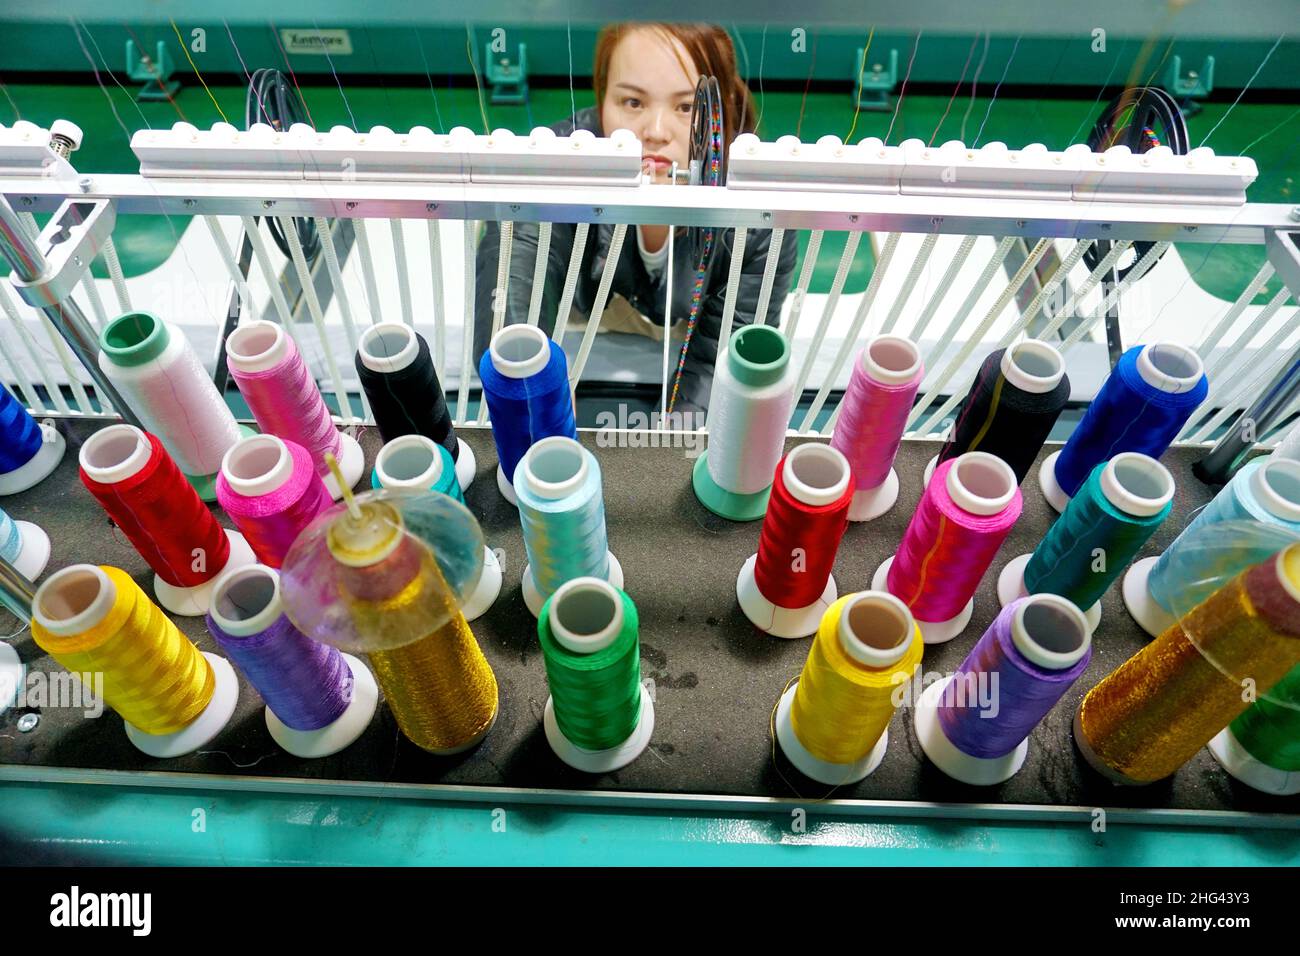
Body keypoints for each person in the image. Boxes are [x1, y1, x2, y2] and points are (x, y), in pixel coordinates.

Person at [472, 22, 797, 418]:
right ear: (603, 98)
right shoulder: (558, 164)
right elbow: (513, 292)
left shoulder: (757, 210)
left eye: (686, 107)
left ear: (720, 108)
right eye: (633, 103)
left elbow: (724, 360)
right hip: (591, 307)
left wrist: (666, 449)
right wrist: (535, 394)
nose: (655, 132)